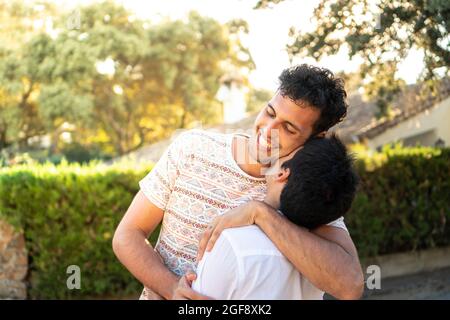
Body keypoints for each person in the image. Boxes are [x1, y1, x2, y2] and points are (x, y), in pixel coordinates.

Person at [112, 64, 364, 300]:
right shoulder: (192, 149)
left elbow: (349, 285)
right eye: (270, 112)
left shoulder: (308, 185)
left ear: (316, 137)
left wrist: (261, 214)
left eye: (288, 128)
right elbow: (127, 235)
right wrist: (171, 287)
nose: (268, 130)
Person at [192, 135, 358, 299]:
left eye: (285, 153)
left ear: (282, 173)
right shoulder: (321, 259)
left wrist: (258, 211)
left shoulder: (231, 243)